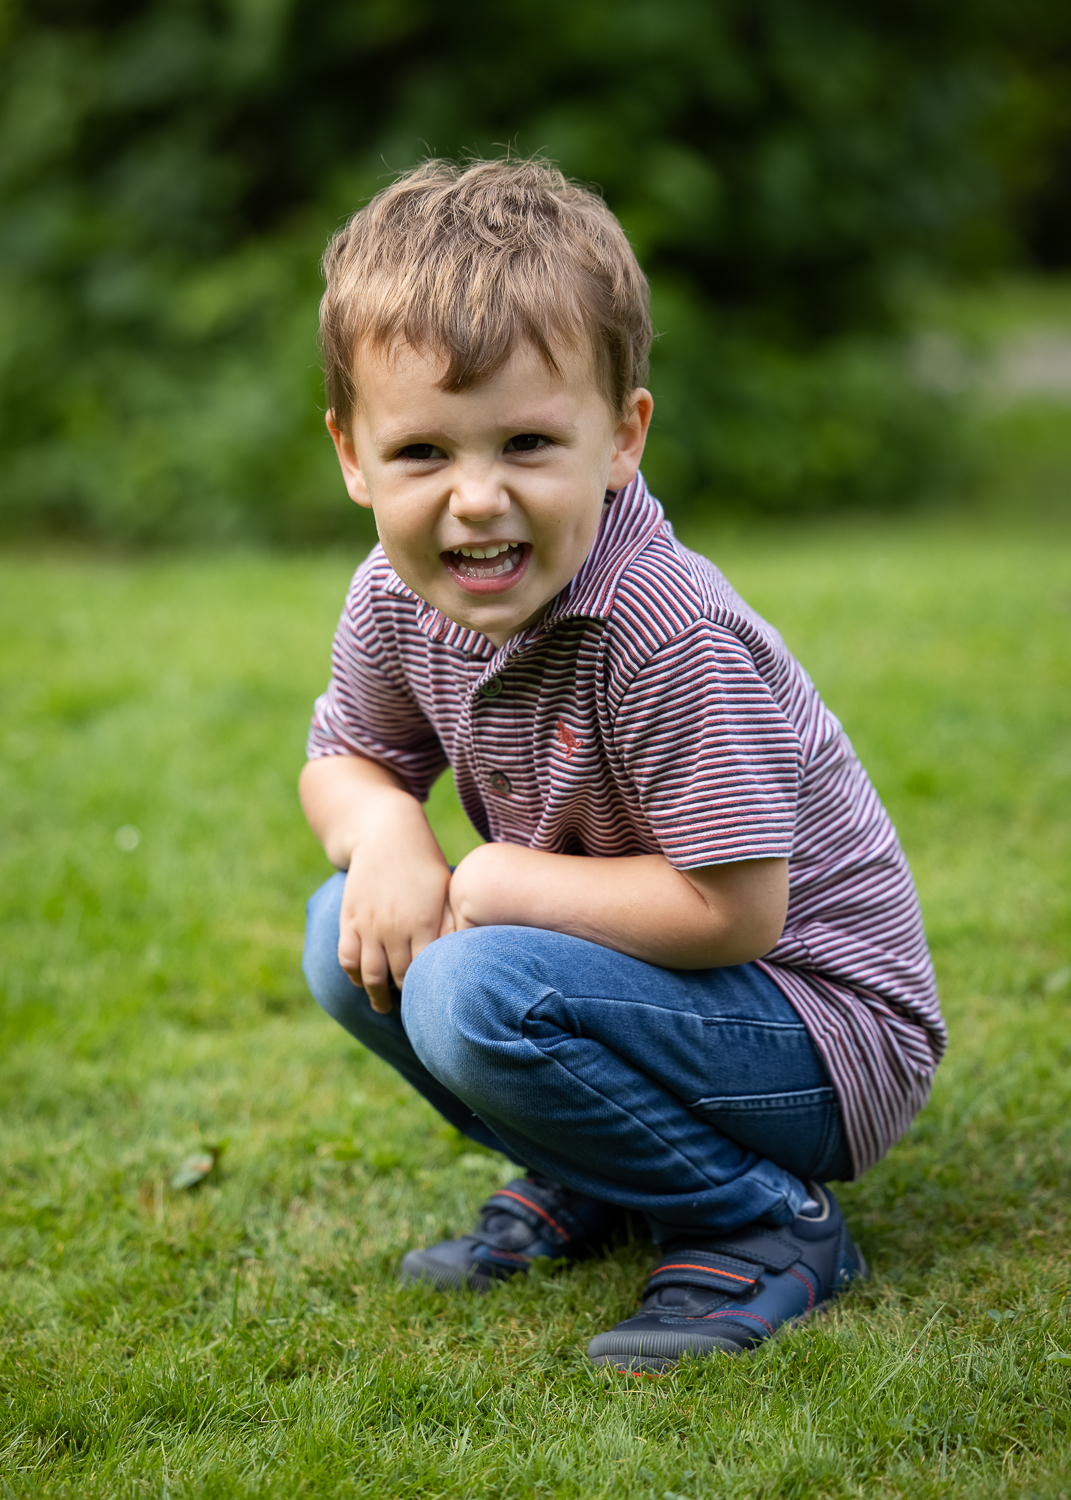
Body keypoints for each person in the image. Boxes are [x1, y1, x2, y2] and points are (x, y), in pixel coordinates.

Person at [299, 158, 945, 1374]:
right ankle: (597, 1167)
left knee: (467, 985)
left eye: (528, 442)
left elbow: (738, 912)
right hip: (655, 997)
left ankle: (761, 1222)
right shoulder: (392, 596)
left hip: (819, 1033)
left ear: (622, 438)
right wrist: (384, 830)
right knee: (345, 930)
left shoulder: (662, 630)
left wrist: (494, 880)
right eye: (423, 451)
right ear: (352, 456)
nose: (476, 500)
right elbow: (343, 759)